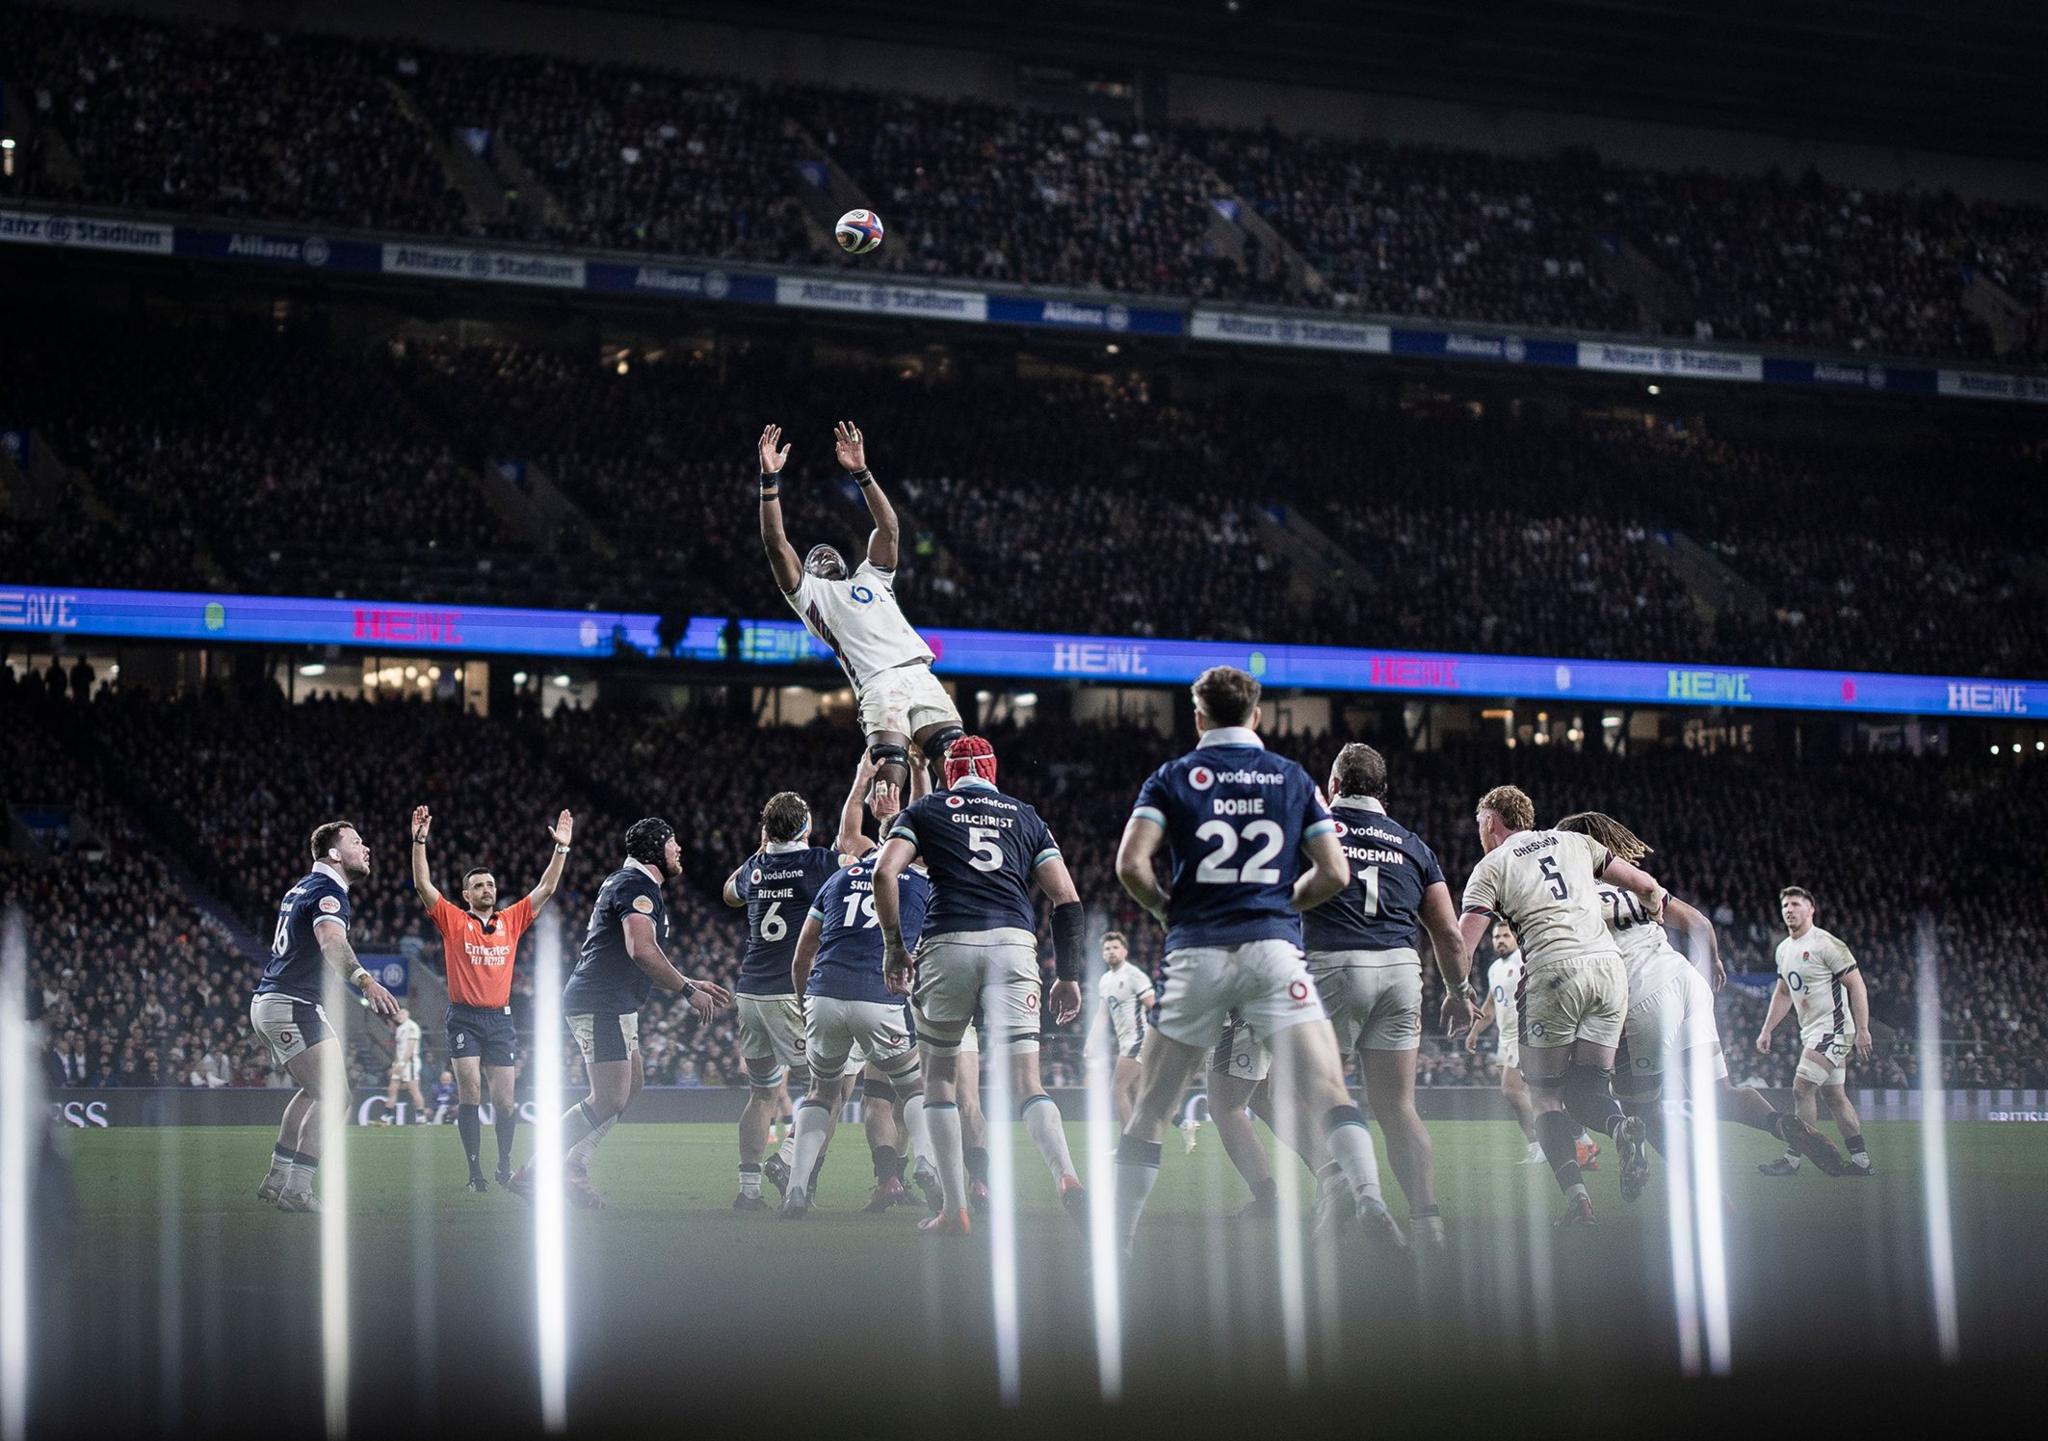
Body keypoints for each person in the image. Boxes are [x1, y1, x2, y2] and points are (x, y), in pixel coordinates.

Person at [1110, 666, 1398, 1255]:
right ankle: (1370, 1199)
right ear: (1257, 716)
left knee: (1152, 1109)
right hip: (1273, 951)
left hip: (1196, 951)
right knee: (1329, 1091)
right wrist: (1280, 903)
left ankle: (1118, 1245)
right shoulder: (1291, 776)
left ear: (1198, 717)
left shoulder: (1172, 776)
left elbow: (1131, 866)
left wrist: (1169, 913)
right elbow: (1336, 873)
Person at [1555, 814, 1846, 1192]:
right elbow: (1699, 923)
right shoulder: (1633, 887)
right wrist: (1715, 965)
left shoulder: (1569, 897)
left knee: (1639, 1112)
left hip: (1643, 996)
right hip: (1685, 980)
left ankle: (1700, 1187)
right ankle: (1780, 1123)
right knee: (1719, 1093)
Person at [875, 734, 1088, 1236]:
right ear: (993, 772)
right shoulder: (1025, 815)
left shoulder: (926, 811)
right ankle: (1068, 1178)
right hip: (1014, 944)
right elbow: (1067, 899)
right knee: (1026, 1083)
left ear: (950, 774)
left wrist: (893, 947)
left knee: (940, 1080)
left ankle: (955, 1210)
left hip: (948, 942)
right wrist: (1070, 975)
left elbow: (886, 872)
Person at [1451, 786, 1669, 1226]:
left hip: (1554, 971)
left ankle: (1579, 1203)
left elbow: (1462, 944)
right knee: (1588, 1091)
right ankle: (1621, 1127)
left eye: (1479, 825)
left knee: (1546, 1098)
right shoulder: (1576, 842)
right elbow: (1648, 886)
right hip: (1609, 972)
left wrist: (1456, 992)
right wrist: (1656, 909)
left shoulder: (1491, 866)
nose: (1479, 833)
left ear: (1491, 821)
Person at [507, 819, 733, 1207]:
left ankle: (573, 1166)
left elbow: (636, 958)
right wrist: (686, 990)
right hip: (601, 1002)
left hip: (613, 1002)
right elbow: (641, 951)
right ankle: (535, 1172)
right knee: (609, 1097)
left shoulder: (631, 883)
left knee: (633, 1085)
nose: (679, 849)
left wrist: (688, 979)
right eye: (672, 843)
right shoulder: (635, 886)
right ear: (654, 850)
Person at [1295, 742, 1466, 1248]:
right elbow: (1450, 936)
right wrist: (1457, 991)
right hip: (1399, 971)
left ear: (1334, 785)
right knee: (1398, 1107)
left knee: (1300, 1087)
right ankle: (1428, 1223)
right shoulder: (1414, 845)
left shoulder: (1315, 829)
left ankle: (1355, 1187)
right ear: (1383, 791)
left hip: (1333, 966)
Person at [757, 420, 965, 805]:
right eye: (815, 555)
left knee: (956, 758)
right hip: (878, 682)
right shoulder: (810, 595)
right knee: (891, 766)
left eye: (829, 551)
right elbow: (775, 543)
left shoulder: (872, 578)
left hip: (920, 672)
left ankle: (961, 829)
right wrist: (769, 482)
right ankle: (890, 839)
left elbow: (889, 528)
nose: (824, 554)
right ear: (811, 569)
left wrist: (862, 474)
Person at [723, 759, 875, 1208]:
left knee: (762, 1093)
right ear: (807, 827)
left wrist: (761, 853)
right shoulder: (821, 863)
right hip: (791, 990)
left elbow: (729, 893)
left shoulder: (753, 867)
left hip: (750, 991)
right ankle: (789, 1157)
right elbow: (861, 856)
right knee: (834, 1085)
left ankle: (748, 1193)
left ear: (767, 831)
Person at [410, 803, 575, 1191]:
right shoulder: (454, 920)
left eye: (491, 884)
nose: (488, 889)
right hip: (464, 1017)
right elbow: (422, 885)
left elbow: (546, 888)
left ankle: (503, 1164)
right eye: (480, 886)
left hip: (500, 1020)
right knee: (470, 1089)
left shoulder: (510, 920)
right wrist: (419, 843)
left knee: (505, 1101)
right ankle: (474, 1173)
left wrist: (562, 849)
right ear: (467, 894)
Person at [250, 820, 400, 1212]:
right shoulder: (328, 892)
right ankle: (298, 1188)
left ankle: (278, 1178)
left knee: (315, 1091)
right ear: (334, 854)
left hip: (277, 1001)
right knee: (336, 1097)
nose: (365, 848)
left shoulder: (302, 886)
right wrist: (366, 982)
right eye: (356, 842)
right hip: (290, 1004)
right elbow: (332, 941)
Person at [781, 853, 936, 1217]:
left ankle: (796, 1190)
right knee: (912, 1087)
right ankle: (925, 1161)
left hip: (823, 994)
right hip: (878, 995)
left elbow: (802, 954)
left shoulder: (837, 879)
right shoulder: (923, 886)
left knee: (821, 1092)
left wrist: (807, 1005)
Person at [1756, 886, 1873, 1176]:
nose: (1789, 910)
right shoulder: (1783, 949)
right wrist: (1767, 1029)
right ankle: (1861, 1162)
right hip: (1812, 1031)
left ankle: (1793, 1158)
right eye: (1785, 906)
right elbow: (1783, 993)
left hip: (1834, 1029)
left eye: (1795, 904)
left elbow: (1856, 984)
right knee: (1835, 1096)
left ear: (1811, 909)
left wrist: (1863, 1029)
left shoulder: (1826, 944)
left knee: (1801, 1088)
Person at [1466, 919, 1547, 1164]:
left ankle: (1547, 1143)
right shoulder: (1494, 969)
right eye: (1496, 937)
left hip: (1525, 1033)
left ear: (1515, 939)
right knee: (1526, 1096)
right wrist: (1474, 1031)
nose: (1500, 941)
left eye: (1505, 936)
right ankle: (1541, 1145)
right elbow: (1490, 1007)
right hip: (1506, 1037)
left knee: (1511, 1090)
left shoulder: (1524, 960)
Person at [1090, 931, 1154, 1125]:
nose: (1111, 951)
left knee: (1117, 1090)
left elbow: (1153, 1005)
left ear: (1124, 951)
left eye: (1115, 947)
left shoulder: (1134, 975)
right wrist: (1091, 1041)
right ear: (1102, 954)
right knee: (1136, 1093)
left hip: (1138, 1038)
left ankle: (1128, 1147)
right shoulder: (1105, 980)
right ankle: (1181, 1122)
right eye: (1107, 948)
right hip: (1126, 1041)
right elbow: (1102, 1014)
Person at [382, 1008, 429, 1124]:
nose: (399, 1015)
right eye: (398, 1014)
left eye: (402, 1013)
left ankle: (421, 1116)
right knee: (392, 1088)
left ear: (408, 1013)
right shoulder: (400, 1029)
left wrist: (402, 1063)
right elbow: (400, 1049)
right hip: (399, 1062)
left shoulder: (412, 1026)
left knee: (413, 1089)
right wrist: (396, 1064)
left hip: (410, 1063)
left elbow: (410, 1047)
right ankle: (387, 1117)